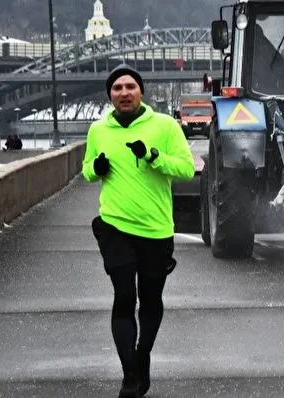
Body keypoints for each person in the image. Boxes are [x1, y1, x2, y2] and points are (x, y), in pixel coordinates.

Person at [82, 63, 195, 398]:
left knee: (150, 299)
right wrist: (95, 168)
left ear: (141, 91)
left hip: (156, 228)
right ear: (110, 95)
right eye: (117, 88)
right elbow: (87, 170)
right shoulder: (98, 129)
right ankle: (129, 374)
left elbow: (187, 168)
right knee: (123, 296)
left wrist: (153, 156)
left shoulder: (164, 126)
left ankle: (142, 356)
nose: (124, 92)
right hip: (115, 225)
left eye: (130, 86)